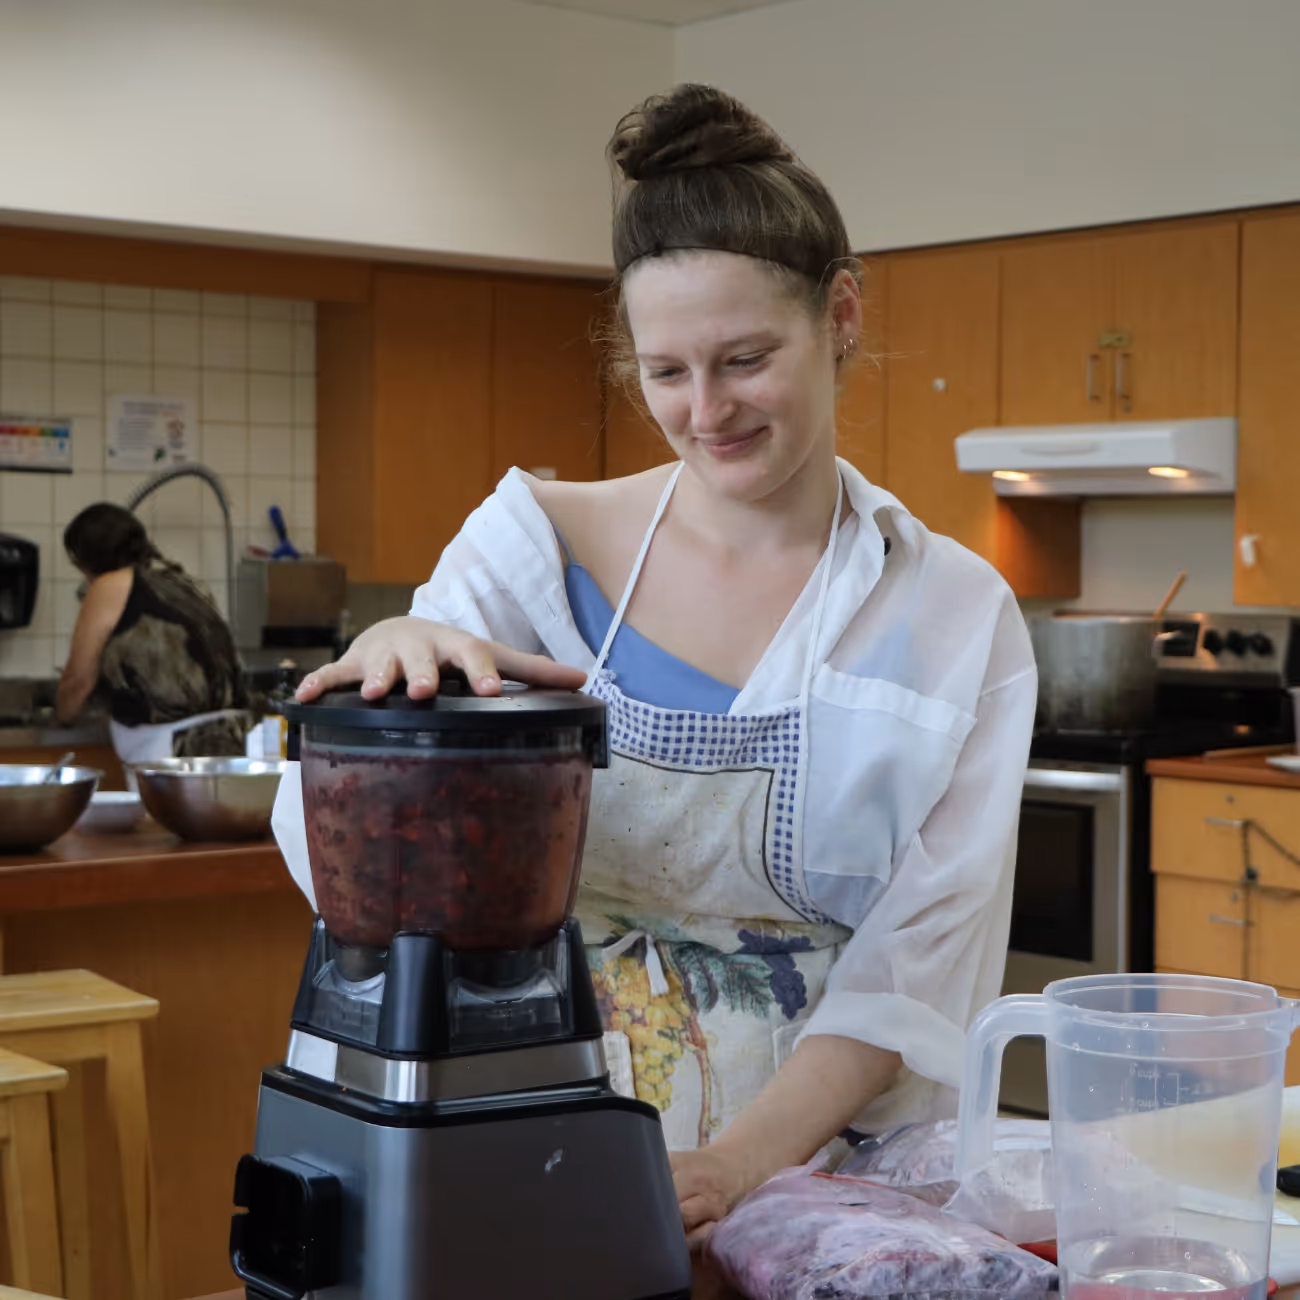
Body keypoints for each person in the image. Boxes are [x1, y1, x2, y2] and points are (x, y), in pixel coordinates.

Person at [292, 84, 1036, 1241]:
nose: (705, 411)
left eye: (745, 359)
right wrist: (391, 660)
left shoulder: (950, 616)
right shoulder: (530, 552)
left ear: (840, 314)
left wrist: (734, 1167)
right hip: (518, 1125)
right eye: (666, 371)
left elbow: (914, 969)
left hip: (828, 1179)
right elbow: (372, 848)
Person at [56, 503, 250, 766]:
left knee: (162, 810)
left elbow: (78, 680)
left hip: (171, 747)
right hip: (233, 737)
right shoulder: (184, 582)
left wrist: (62, 716)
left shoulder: (109, 586)